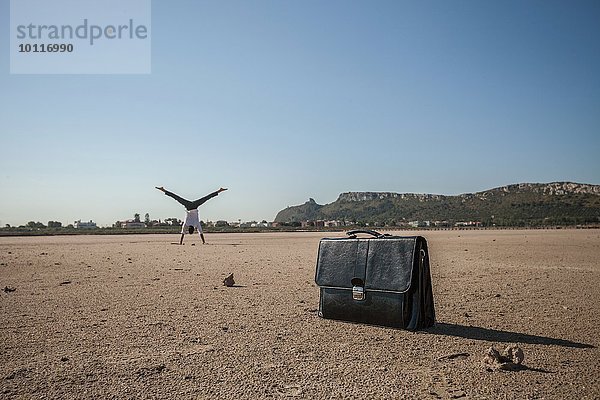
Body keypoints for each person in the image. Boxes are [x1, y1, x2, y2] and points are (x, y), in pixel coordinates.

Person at [156, 186, 227, 245]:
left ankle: (163, 190)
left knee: (206, 198)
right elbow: (183, 233)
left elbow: (200, 233)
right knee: (177, 197)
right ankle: (219, 190)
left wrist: (203, 242)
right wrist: (181, 242)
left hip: (194, 206)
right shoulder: (186, 224)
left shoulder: (196, 224)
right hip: (189, 206)